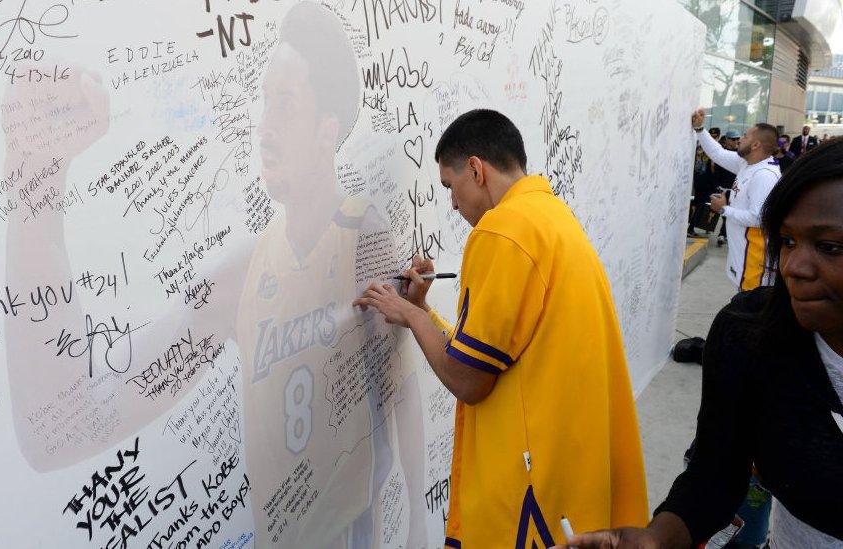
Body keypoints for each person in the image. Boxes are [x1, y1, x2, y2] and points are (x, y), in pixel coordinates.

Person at [3, 3, 427, 547]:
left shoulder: (363, 235)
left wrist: (418, 520)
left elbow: (401, 385)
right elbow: (57, 428)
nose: (265, 125)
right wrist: (35, 176)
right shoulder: (247, 272)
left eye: (286, 104)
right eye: (265, 101)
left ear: (327, 130)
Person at [354, 109, 648, 548]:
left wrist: (409, 316)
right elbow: (497, 350)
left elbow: (469, 380)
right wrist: (424, 310)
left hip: (533, 493)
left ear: (475, 169)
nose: (452, 204)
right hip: (573, 471)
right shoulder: (549, 217)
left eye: (450, 187)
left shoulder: (502, 232)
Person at [560, 135, 843, 549]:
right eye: (788, 241)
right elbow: (716, 473)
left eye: (829, 246)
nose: (794, 267)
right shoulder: (749, 337)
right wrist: (657, 539)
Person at [693, 111, 781, 291]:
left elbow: (760, 219)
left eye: (746, 136)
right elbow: (718, 153)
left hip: (754, 260)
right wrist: (700, 129)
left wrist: (724, 210)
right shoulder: (747, 163)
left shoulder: (764, 176)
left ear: (756, 145)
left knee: (751, 311)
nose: (740, 139)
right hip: (743, 257)